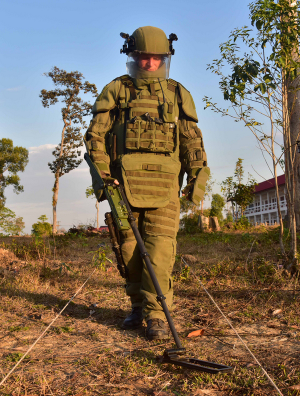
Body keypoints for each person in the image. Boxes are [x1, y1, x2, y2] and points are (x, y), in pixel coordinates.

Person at [84, 26, 210, 340]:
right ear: (132, 56)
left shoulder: (178, 93)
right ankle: (138, 307)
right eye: (143, 57)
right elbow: (95, 137)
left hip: (165, 187)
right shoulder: (116, 90)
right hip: (122, 186)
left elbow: (192, 141)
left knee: (160, 252)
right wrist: (103, 176)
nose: (150, 64)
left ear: (165, 58)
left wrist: (197, 178)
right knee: (128, 249)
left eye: (156, 58)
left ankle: (156, 316)